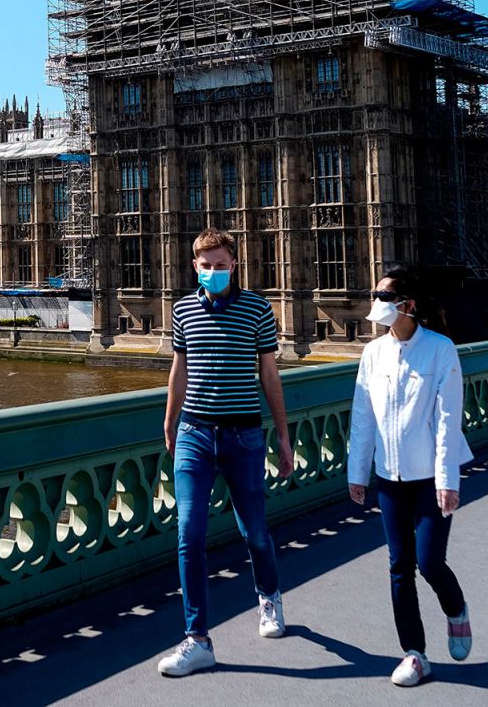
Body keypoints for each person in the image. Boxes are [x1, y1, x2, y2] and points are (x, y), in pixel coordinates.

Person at [158, 228, 295, 677]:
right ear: (193, 267)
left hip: (243, 436)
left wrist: (282, 434)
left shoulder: (257, 308)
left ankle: (269, 597)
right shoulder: (181, 310)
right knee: (189, 535)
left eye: (220, 264)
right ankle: (197, 638)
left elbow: (269, 375)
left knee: (254, 532)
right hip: (195, 433)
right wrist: (170, 418)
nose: (213, 272)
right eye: (205, 265)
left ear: (235, 264)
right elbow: (180, 366)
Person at [348, 266, 474, 687]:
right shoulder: (373, 353)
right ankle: (415, 653)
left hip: (428, 478)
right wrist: (357, 471)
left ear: (409, 305)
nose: (378, 303)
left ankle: (455, 609)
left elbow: (446, 419)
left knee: (429, 562)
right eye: (376, 295)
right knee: (399, 566)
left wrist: (447, 481)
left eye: (385, 296)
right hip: (389, 478)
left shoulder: (440, 350)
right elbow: (363, 417)